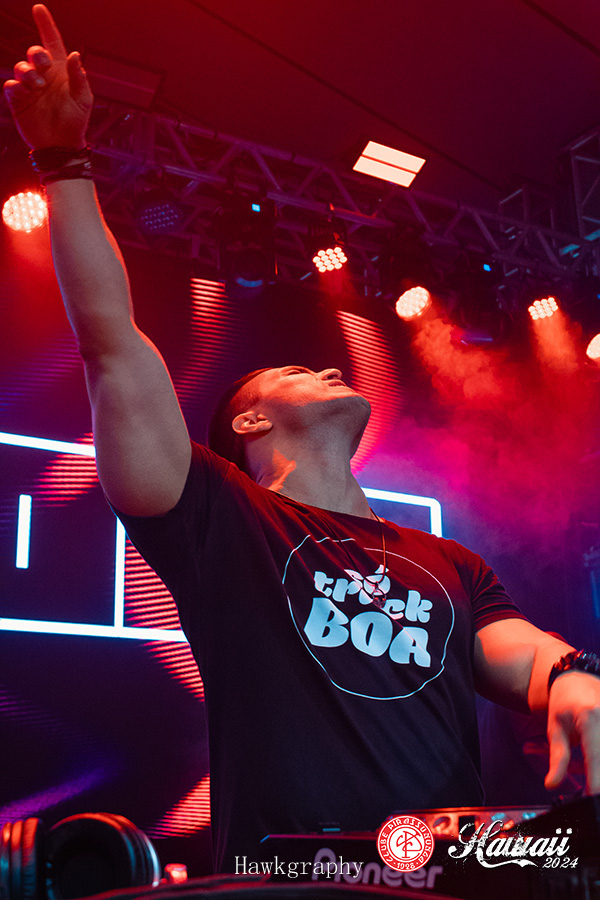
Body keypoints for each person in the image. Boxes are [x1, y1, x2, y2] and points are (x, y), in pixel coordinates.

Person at [4, 5, 600, 874]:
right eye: (294, 372)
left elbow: (525, 655)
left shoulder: (451, 562)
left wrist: (576, 673)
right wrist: (62, 158)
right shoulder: (216, 517)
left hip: (448, 878)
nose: (326, 367)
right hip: (287, 882)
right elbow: (111, 341)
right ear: (250, 422)